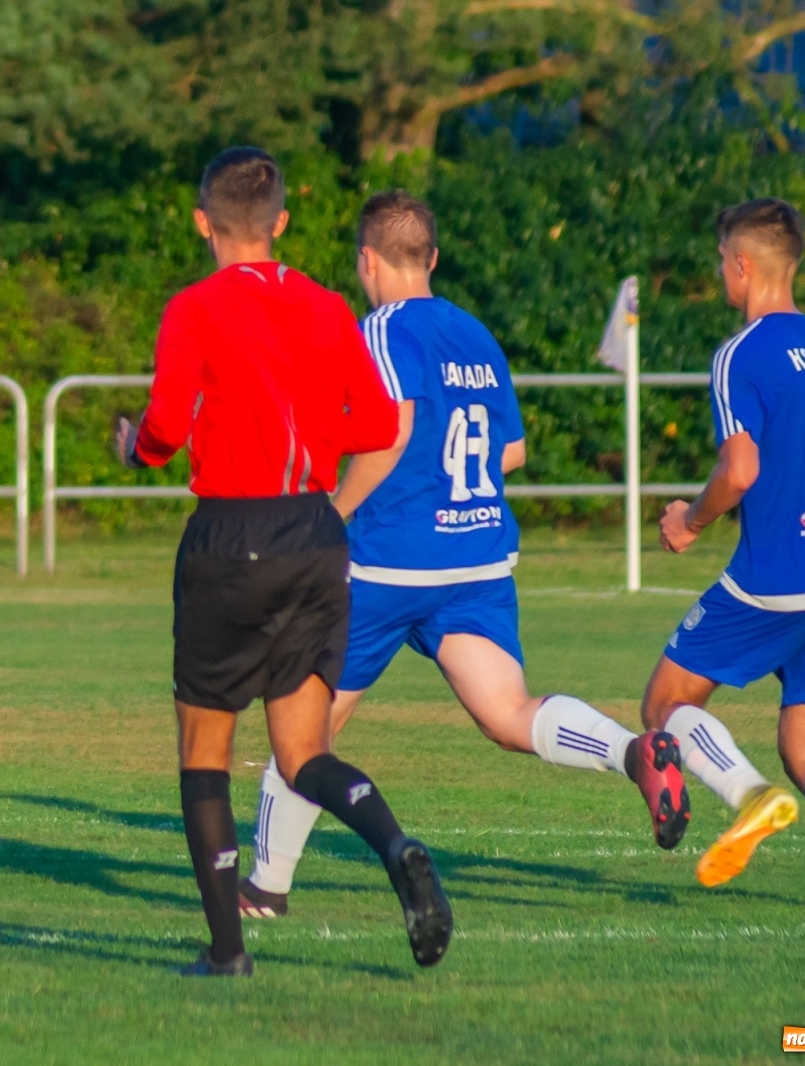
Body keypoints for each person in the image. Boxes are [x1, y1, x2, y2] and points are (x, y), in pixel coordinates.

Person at [240, 191, 691, 918]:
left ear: (366, 260)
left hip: (387, 567)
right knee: (510, 711)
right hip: (476, 563)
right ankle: (635, 754)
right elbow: (510, 450)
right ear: (434, 259)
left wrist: (331, 514)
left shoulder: (382, 329)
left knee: (307, 731)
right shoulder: (474, 332)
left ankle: (266, 887)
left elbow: (391, 433)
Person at [114, 148, 451, 977]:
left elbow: (161, 431)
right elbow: (375, 426)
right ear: (283, 224)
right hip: (316, 536)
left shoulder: (193, 307)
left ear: (203, 222)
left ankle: (227, 953)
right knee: (303, 756)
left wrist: (134, 447)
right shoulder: (330, 306)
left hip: (233, 537)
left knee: (206, 751)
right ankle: (397, 844)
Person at [644, 198, 805, 913]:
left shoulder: (740, 353)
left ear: (742, 265)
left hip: (777, 577)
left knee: (664, 704)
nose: (720, 274)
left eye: (721, 261)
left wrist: (690, 521)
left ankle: (749, 795)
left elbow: (741, 470)